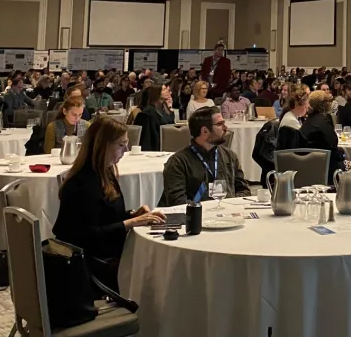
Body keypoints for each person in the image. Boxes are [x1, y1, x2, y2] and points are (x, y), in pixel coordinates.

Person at [54, 117, 166, 289]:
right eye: (121, 145)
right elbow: (86, 236)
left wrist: (133, 215)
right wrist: (131, 223)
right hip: (89, 265)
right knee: (157, 265)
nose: (125, 150)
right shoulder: (83, 183)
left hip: (99, 255)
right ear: (103, 146)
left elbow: (104, 216)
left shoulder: (104, 172)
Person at [159, 107, 251, 207]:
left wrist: (230, 207)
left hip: (228, 216)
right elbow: (177, 203)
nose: (225, 128)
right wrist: (208, 210)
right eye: (220, 124)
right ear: (204, 131)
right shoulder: (178, 162)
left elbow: (244, 191)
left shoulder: (229, 156)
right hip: (195, 219)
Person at [299, 91, 345, 184]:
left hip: (309, 165)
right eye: (328, 101)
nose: (330, 103)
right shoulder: (323, 121)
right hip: (326, 166)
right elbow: (333, 143)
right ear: (323, 105)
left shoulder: (308, 120)